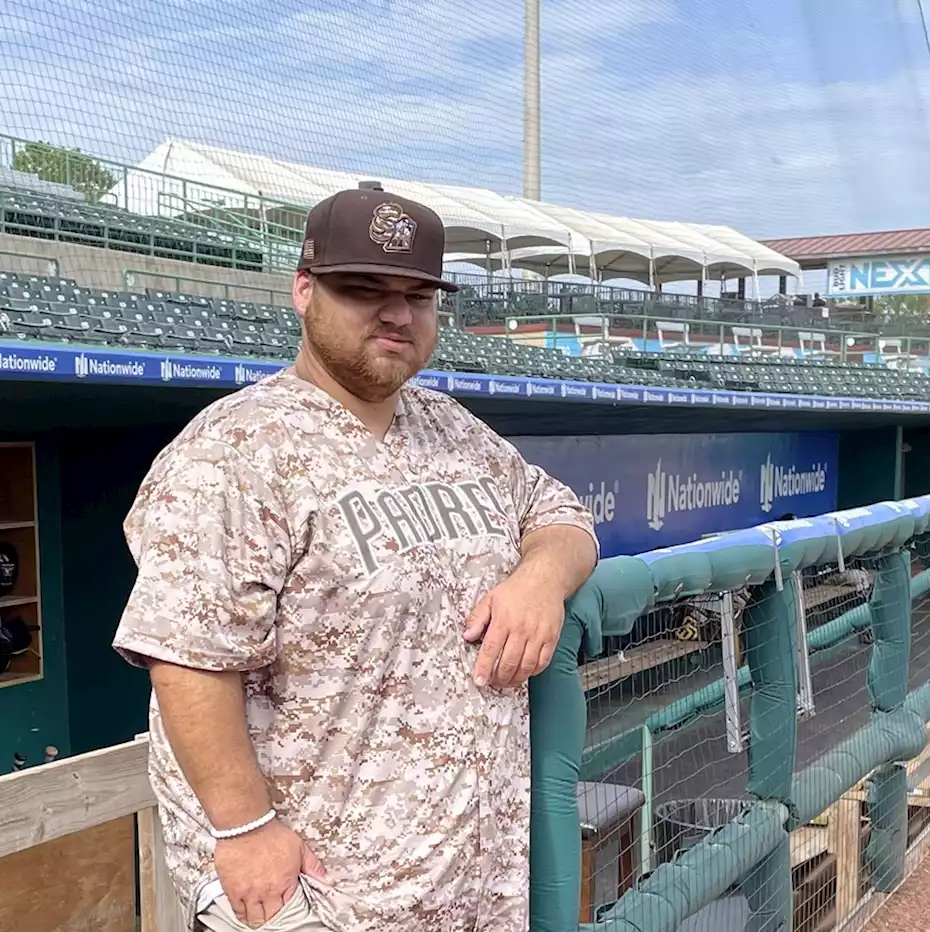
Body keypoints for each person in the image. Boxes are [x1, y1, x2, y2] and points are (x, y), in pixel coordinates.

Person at [111, 181, 599, 932]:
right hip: (320, 891)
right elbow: (187, 654)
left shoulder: (452, 429)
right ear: (304, 291)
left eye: (418, 293)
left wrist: (541, 579)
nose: (397, 312)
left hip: (466, 886)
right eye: (364, 288)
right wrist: (243, 832)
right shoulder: (235, 449)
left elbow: (562, 514)